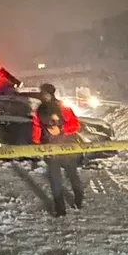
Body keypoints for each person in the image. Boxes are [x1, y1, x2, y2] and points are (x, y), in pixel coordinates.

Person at [32, 85, 85, 217]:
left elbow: (75, 124)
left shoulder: (62, 108)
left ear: (51, 94)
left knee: (72, 175)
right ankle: (60, 209)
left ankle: (79, 199)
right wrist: (36, 145)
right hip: (51, 150)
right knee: (55, 181)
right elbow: (36, 128)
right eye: (42, 94)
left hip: (67, 148)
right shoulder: (40, 111)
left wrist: (61, 130)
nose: (43, 96)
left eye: (45, 94)